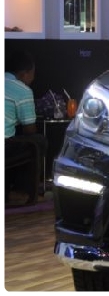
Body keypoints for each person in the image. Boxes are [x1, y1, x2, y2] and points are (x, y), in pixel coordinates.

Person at [5, 48, 48, 205]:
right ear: (24, 74)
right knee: (37, 141)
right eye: (32, 73)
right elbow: (29, 129)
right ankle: (21, 191)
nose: (33, 78)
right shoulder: (23, 90)